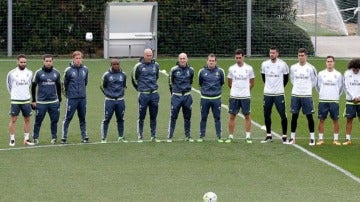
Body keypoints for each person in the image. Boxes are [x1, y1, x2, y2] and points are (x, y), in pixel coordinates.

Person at [288, 48, 317, 145]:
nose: (301, 57)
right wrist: (298, 87)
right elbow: (292, 79)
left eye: (302, 55)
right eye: (299, 55)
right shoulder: (293, 67)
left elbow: (314, 81)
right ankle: (292, 138)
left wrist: (306, 88)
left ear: (306, 56)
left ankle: (312, 138)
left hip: (307, 95)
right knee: (294, 116)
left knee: (309, 116)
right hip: (296, 94)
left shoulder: (311, 68)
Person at [225, 49, 255, 144]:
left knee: (247, 115)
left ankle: (248, 136)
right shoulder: (231, 68)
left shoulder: (249, 68)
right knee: (232, 116)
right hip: (234, 96)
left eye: (240, 57)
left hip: (245, 96)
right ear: (235, 57)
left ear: (243, 57)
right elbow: (229, 82)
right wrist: (235, 90)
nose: (238, 59)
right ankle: (230, 136)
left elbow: (252, 83)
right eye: (236, 58)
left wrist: (245, 91)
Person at [260, 47, 289, 144]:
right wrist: (269, 87)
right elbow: (263, 77)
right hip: (267, 93)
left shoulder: (283, 64)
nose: (271, 54)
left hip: (279, 94)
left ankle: (284, 136)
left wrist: (279, 87)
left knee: (283, 115)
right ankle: (268, 135)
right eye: (270, 53)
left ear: (277, 54)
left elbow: (286, 78)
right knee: (266, 114)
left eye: (273, 53)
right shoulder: (265, 64)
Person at [31, 54, 62, 144]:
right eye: (46, 61)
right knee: (38, 121)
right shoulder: (38, 73)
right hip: (41, 102)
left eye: (50, 61)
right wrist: (33, 100)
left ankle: (54, 137)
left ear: (52, 61)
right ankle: (35, 137)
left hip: (53, 102)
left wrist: (59, 98)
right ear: (43, 61)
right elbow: (33, 86)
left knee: (54, 121)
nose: (48, 63)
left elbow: (59, 85)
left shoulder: (56, 73)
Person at [131, 48, 160, 143]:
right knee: (141, 116)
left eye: (150, 55)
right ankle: (140, 136)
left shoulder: (156, 65)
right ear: (144, 55)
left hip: (154, 94)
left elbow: (156, 77)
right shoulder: (138, 66)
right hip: (143, 95)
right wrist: (140, 89)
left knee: (153, 116)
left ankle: (153, 136)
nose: (149, 57)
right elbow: (134, 79)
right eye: (147, 55)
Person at [61, 51, 89, 144]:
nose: (78, 60)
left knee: (82, 118)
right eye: (76, 58)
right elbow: (64, 84)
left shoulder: (85, 69)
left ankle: (84, 137)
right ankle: (64, 137)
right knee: (67, 118)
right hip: (72, 99)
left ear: (82, 59)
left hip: (82, 98)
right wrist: (68, 95)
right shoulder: (68, 70)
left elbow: (85, 82)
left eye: (80, 58)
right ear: (73, 59)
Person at [6, 54, 35, 146]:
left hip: (26, 100)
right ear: (17, 62)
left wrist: (25, 94)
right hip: (15, 100)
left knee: (27, 119)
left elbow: (29, 85)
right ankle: (12, 139)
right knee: (13, 120)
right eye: (21, 62)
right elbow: (9, 86)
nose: (23, 64)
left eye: (24, 62)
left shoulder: (30, 73)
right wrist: (14, 95)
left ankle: (26, 139)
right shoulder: (11, 73)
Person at [167, 53, 195, 142]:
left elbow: (191, 81)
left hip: (187, 96)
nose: (182, 60)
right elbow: (170, 82)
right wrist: (174, 93)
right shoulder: (173, 70)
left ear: (187, 59)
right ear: (178, 59)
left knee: (187, 117)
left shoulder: (191, 70)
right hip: (176, 96)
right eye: (181, 58)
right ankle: (170, 136)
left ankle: (188, 135)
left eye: (184, 58)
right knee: (173, 116)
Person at [197, 53, 225, 143]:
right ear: (207, 61)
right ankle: (202, 136)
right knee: (203, 117)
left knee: (217, 117)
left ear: (216, 62)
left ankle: (219, 136)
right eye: (210, 61)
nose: (211, 62)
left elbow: (222, 83)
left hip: (216, 98)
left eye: (213, 61)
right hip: (205, 98)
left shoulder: (220, 71)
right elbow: (200, 83)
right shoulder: (202, 71)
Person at [315, 56, 343, 146]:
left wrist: (336, 96)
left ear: (334, 63)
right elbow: (317, 86)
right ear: (325, 63)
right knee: (321, 119)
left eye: (331, 61)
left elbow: (341, 87)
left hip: (334, 100)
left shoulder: (338, 74)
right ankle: (320, 139)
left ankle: (336, 139)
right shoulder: (321, 74)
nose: (329, 63)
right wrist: (322, 94)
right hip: (323, 100)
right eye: (328, 61)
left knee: (335, 119)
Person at [100, 58, 128, 143]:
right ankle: (104, 138)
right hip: (109, 101)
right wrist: (108, 94)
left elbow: (124, 85)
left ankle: (121, 137)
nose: (116, 66)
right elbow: (102, 86)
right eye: (114, 64)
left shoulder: (123, 75)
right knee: (106, 119)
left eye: (117, 64)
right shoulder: (106, 75)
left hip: (120, 100)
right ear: (111, 65)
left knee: (121, 119)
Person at [343, 58, 360, 145]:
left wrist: (359, 97)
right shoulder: (347, 73)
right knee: (349, 119)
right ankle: (348, 139)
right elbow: (346, 86)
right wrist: (353, 97)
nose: (356, 70)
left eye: (357, 69)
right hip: (350, 100)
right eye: (354, 69)